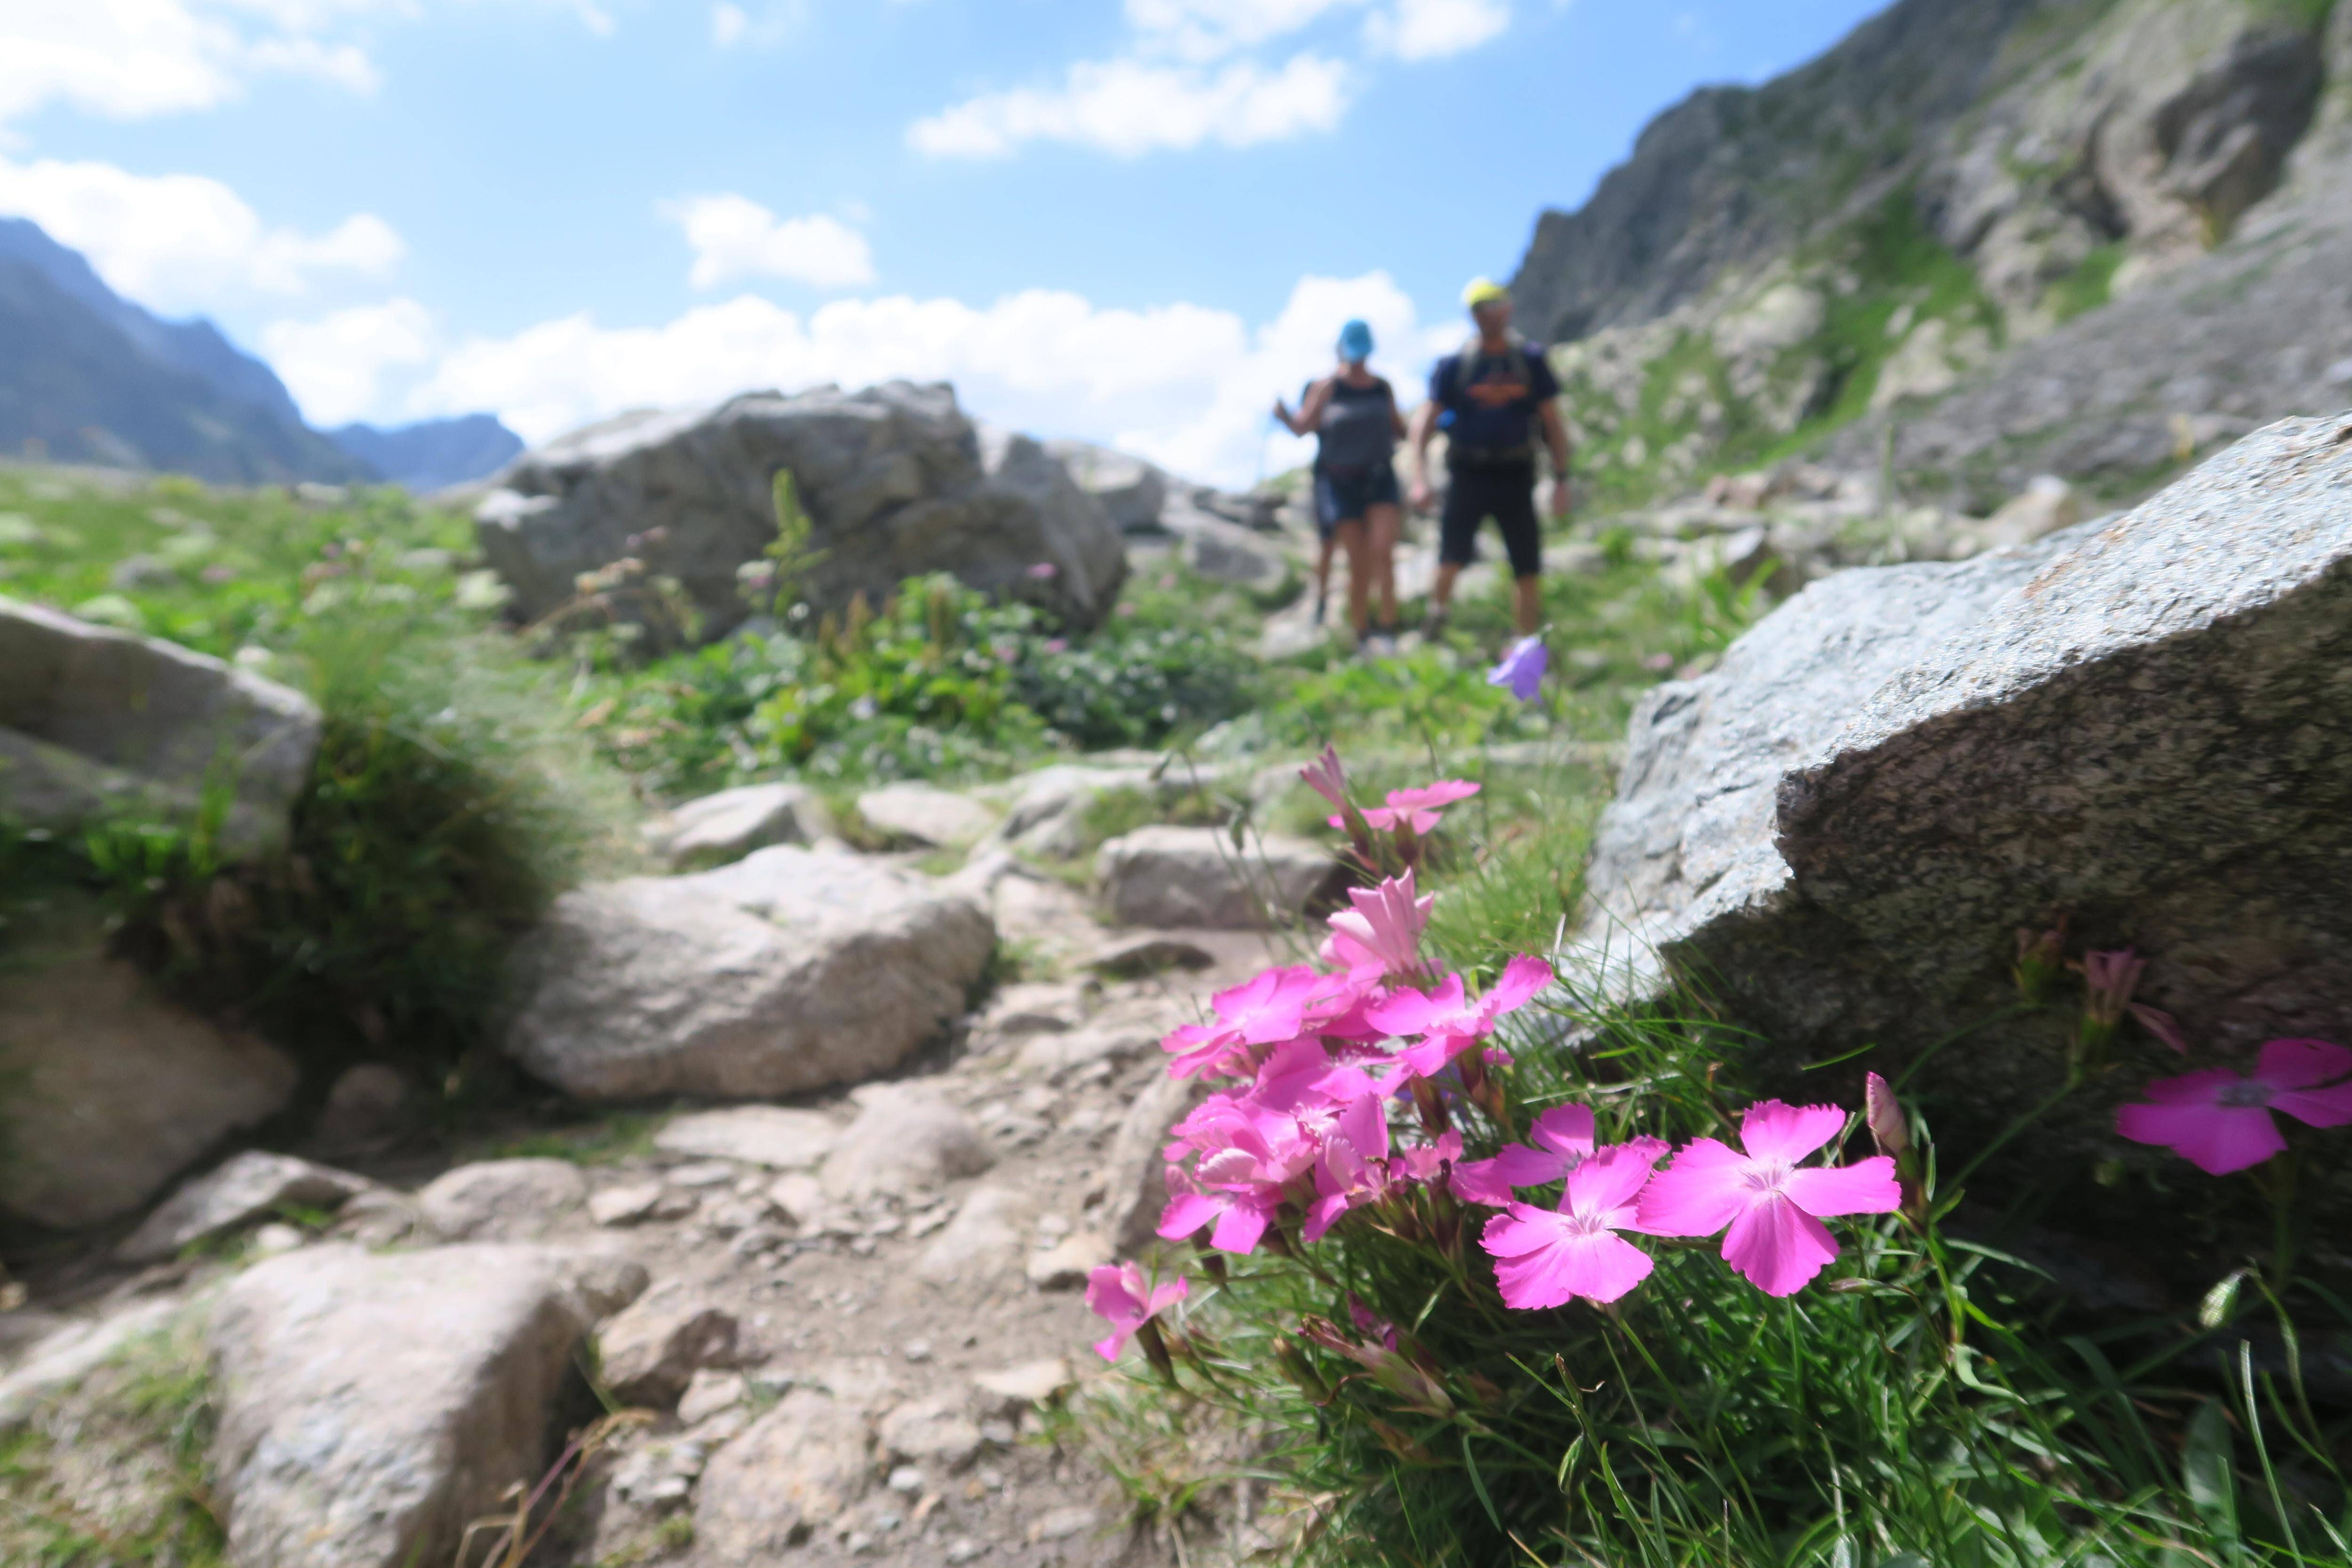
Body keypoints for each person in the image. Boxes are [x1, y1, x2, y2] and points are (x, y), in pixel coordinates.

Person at [1408, 278, 1573, 638]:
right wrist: (1419, 479)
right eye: (1481, 310)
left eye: (1495, 307)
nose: (1489, 316)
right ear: (1472, 316)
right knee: (1451, 555)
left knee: (1527, 564)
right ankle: (1436, 620)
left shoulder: (1530, 360)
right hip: (1468, 473)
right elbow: (1423, 423)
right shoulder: (1456, 366)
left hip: (1517, 473)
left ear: (1509, 308)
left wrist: (1562, 479)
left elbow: (1552, 423)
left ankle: (1525, 645)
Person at [1275, 318, 1407, 651]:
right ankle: (1361, 632)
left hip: (1380, 477)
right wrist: (1283, 416)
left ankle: (1389, 629)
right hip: (1340, 481)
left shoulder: (1382, 387)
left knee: (1383, 552)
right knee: (1358, 560)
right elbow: (1303, 427)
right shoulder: (1326, 388)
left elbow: (1399, 427)